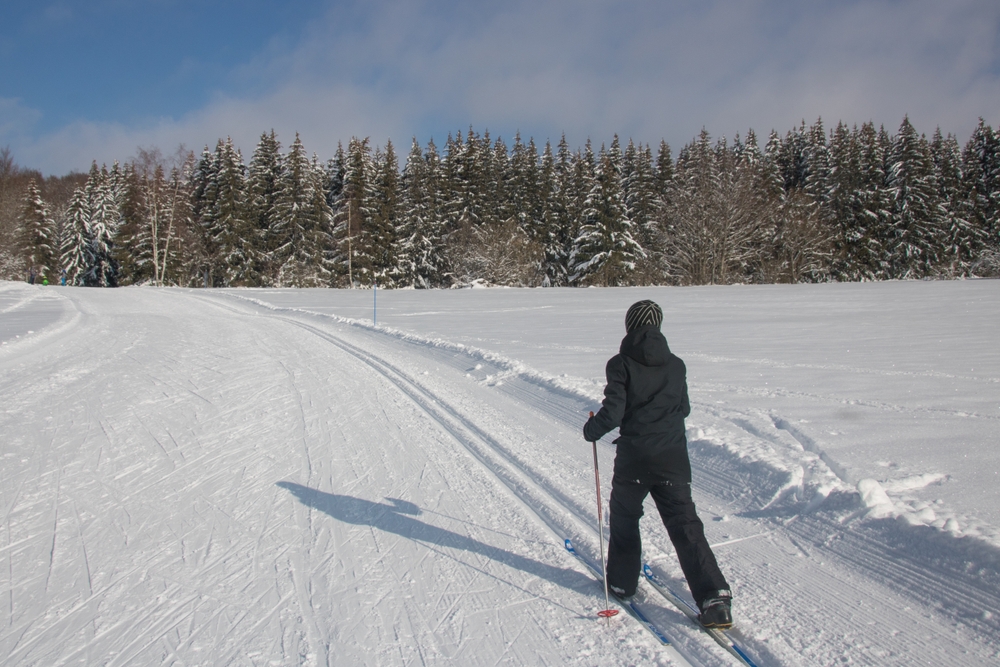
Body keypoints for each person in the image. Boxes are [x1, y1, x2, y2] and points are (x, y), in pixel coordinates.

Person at [583, 299, 733, 628]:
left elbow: (613, 412)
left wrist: (592, 429)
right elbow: (684, 409)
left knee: (624, 518)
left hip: (635, 459)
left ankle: (622, 582)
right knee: (685, 525)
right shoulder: (676, 365)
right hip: (672, 459)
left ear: (629, 325)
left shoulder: (620, 363)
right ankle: (715, 598)